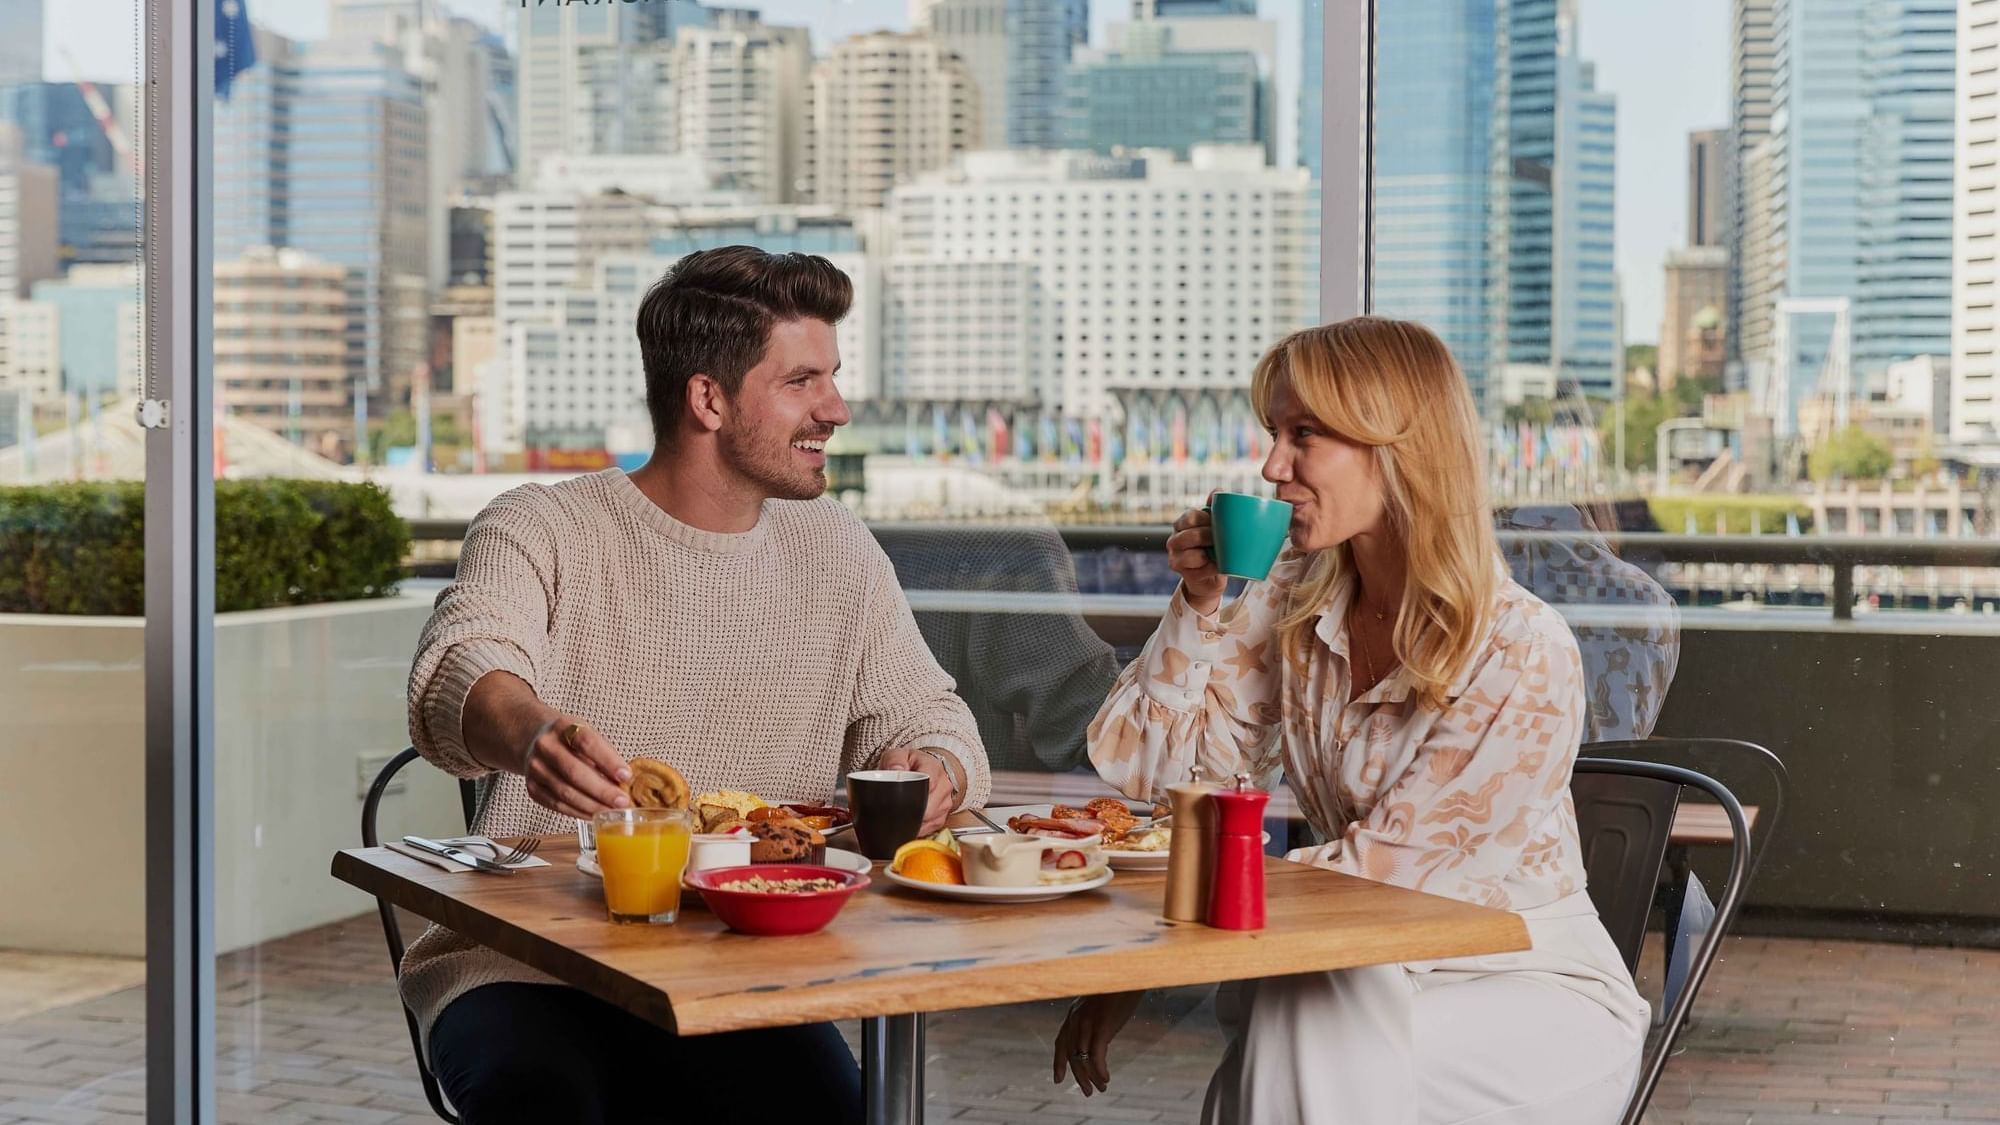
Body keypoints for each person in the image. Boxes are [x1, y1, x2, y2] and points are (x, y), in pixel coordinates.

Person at [402, 246, 989, 1125]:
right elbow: (462, 664)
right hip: (529, 961)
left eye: (832, 377)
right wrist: (528, 733)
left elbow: (933, 716)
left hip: (738, 960)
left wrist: (938, 765)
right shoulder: (541, 527)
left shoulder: (837, 547)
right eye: (803, 382)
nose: (837, 408)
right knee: (545, 1105)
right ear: (708, 399)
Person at [1055, 317, 1649, 1124]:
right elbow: (1170, 785)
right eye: (1273, 432)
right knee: (1307, 1014)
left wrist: (1144, 965)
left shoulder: (1521, 647)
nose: (1271, 466)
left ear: (1394, 445)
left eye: (1304, 434)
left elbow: (1383, 884)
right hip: (1348, 967)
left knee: (1299, 1020)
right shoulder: (1295, 592)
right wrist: (1202, 606)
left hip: (1518, 986)